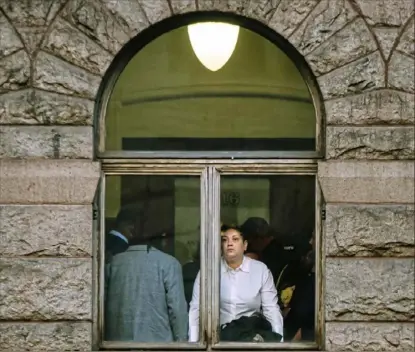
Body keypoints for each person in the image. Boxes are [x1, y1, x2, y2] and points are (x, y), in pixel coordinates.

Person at [188, 225, 283, 342]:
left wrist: (279, 341)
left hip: (250, 339)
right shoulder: (209, 271)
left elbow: (271, 309)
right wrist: (192, 343)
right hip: (218, 340)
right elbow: (196, 309)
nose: (229, 243)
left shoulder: (260, 270)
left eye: (235, 239)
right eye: (225, 240)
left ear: (245, 245)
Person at [105, 224, 188, 342]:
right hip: (158, 346)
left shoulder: (112, 263)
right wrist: (182, 343)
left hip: (116, 345)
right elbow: (177, 308)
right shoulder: (169, 264)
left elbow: (102, 304)